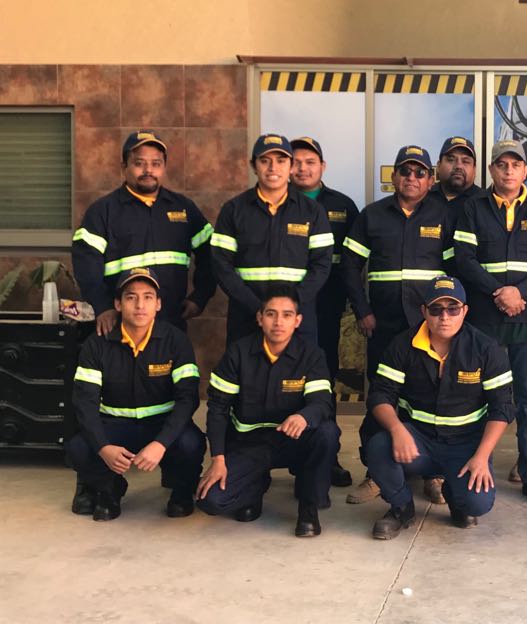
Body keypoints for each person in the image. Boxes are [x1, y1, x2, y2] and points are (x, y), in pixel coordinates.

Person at [341, 145, 452, 506]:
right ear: (394, 177)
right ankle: (376, 474)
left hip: (429, 327)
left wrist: (449, 320)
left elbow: (456, 270)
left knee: (431, 396)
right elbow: (349, 266)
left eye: (420, 172)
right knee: (382, 396)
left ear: (430, 180)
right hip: (383, 324)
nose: (412, 178)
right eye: (405, 171)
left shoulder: (443, 216)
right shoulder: (372, 216)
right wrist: (362, 310)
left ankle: (434, 474)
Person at [455, 139, 527, 505]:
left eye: (515, 165)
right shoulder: (473, 208)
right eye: (501, 165)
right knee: (476, 396)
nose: (508, 171)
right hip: (485, 319)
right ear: (491, 170)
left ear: (526, 171)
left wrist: (519, 292)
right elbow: (464, 260)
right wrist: (499, 293)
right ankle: (473, 466)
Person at [366, 276, 514, 538]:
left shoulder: (486, 349)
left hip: (466, 445)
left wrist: (482, 456)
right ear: (424, 311)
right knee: (378, 446)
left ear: (464, 311)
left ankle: (455, 495)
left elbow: (502, 407)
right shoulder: (402, 345)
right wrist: (398, 430)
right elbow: (380, 395)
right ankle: (402, 507)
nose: (444, 317)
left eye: (452, 309)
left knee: (477, 504)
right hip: (419, 442)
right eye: (436, 309)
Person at [197, 284, 339, 538]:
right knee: (211, 501)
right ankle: (255, 486)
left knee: (326, 433)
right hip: (248, 444)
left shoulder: (311, 355)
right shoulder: (237, 353)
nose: (278, 322)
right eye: (271, 314)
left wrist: (303, 416)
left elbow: (322, 403)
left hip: (293, 442)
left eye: (286, 315)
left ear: (297, 321)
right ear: (260, 318)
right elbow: (218, 408)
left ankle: (309, 506)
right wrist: (218, 458)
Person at [66, 267, 204, 521]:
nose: (140, 305)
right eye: (131, 297)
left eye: (148, 297)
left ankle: (181, 490)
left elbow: (188, 399)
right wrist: (103, 447)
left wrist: (161, 444)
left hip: (161, 425)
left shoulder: (176, 341)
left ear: (158, 304)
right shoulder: (96, 345)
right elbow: (85, 402)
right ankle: (110, 488)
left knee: (191, 443)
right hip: (115, 425)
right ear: (118, 304)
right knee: (79, 448)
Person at [72, 131, 216, 335]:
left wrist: (200, 297)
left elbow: (211, 253)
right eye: (139, 163)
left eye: (156, 164)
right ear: (124, 167)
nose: (148, 170)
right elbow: (86, 264)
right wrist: (102, 306)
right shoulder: (103, 211)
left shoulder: (183, 208)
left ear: (164, 167)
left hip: (171, 323)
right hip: (119, 324)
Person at [211, 134, 333, 345]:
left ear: (291, 166)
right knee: (244, 366)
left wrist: (291, 306)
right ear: (253, 166)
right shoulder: (234, 210)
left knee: (300, 367)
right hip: (246, 317)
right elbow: (221, 265)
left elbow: (321, 264)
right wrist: (256, 306)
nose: (272, 168)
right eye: (265, 161)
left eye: (281, 160)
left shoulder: (312, 211)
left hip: (297, 319)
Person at [290, 135, 360, 488]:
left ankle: (326, 456)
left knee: (323, 380)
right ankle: (283, 454)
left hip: (326, 311)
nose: (302, 168)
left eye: (310, 162)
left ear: (323, 167)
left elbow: (352, 263)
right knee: (281, 382)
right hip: (282, 314)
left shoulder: (343, 206)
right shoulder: (274, 204)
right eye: (296, 162)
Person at [429, 136, 482, 222]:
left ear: (474, 169)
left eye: (465, 161)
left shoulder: (485, 204)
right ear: (438, 166)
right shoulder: (422, 198)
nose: (459, 166)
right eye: (451, 160)